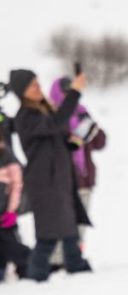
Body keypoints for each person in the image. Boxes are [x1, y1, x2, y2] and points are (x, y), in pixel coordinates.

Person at [10, 69, 92, 281]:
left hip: (59, 180)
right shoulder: (25, 117)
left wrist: (71, 143)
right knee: (48, 236)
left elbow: (53, 141)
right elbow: (55, 123)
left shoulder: (43, 112)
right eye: (32, 85)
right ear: (22, 91)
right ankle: (36, 276)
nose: (38, 88)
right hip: (45, 182)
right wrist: (74, 92)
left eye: (38, 83)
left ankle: (75, 266)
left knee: (68, 231)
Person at [49, 77, 106, 264]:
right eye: (65, 92)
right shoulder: (52, 117)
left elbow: (100, 143)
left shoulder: (82, 113)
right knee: (60, 222)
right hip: (62, 180)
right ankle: (57, 261)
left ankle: (75, 258)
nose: (68, 97)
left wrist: (90, 126)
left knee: (79, 223)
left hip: (84, 179)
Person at [0, 104, 30, 281]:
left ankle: (27, 264)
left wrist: (12, 210)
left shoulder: (6, 153)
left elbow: (11, 123)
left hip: (6, 203)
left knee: (9, 236)